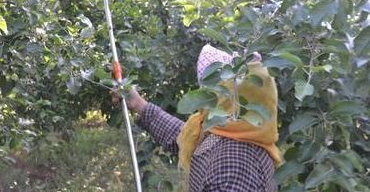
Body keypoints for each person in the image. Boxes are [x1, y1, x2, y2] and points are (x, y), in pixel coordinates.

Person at [113, 44, 280, 192]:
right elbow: (188, 139)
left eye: (212, 92)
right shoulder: (232, 133)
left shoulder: (234, 167)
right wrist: (138, 104)